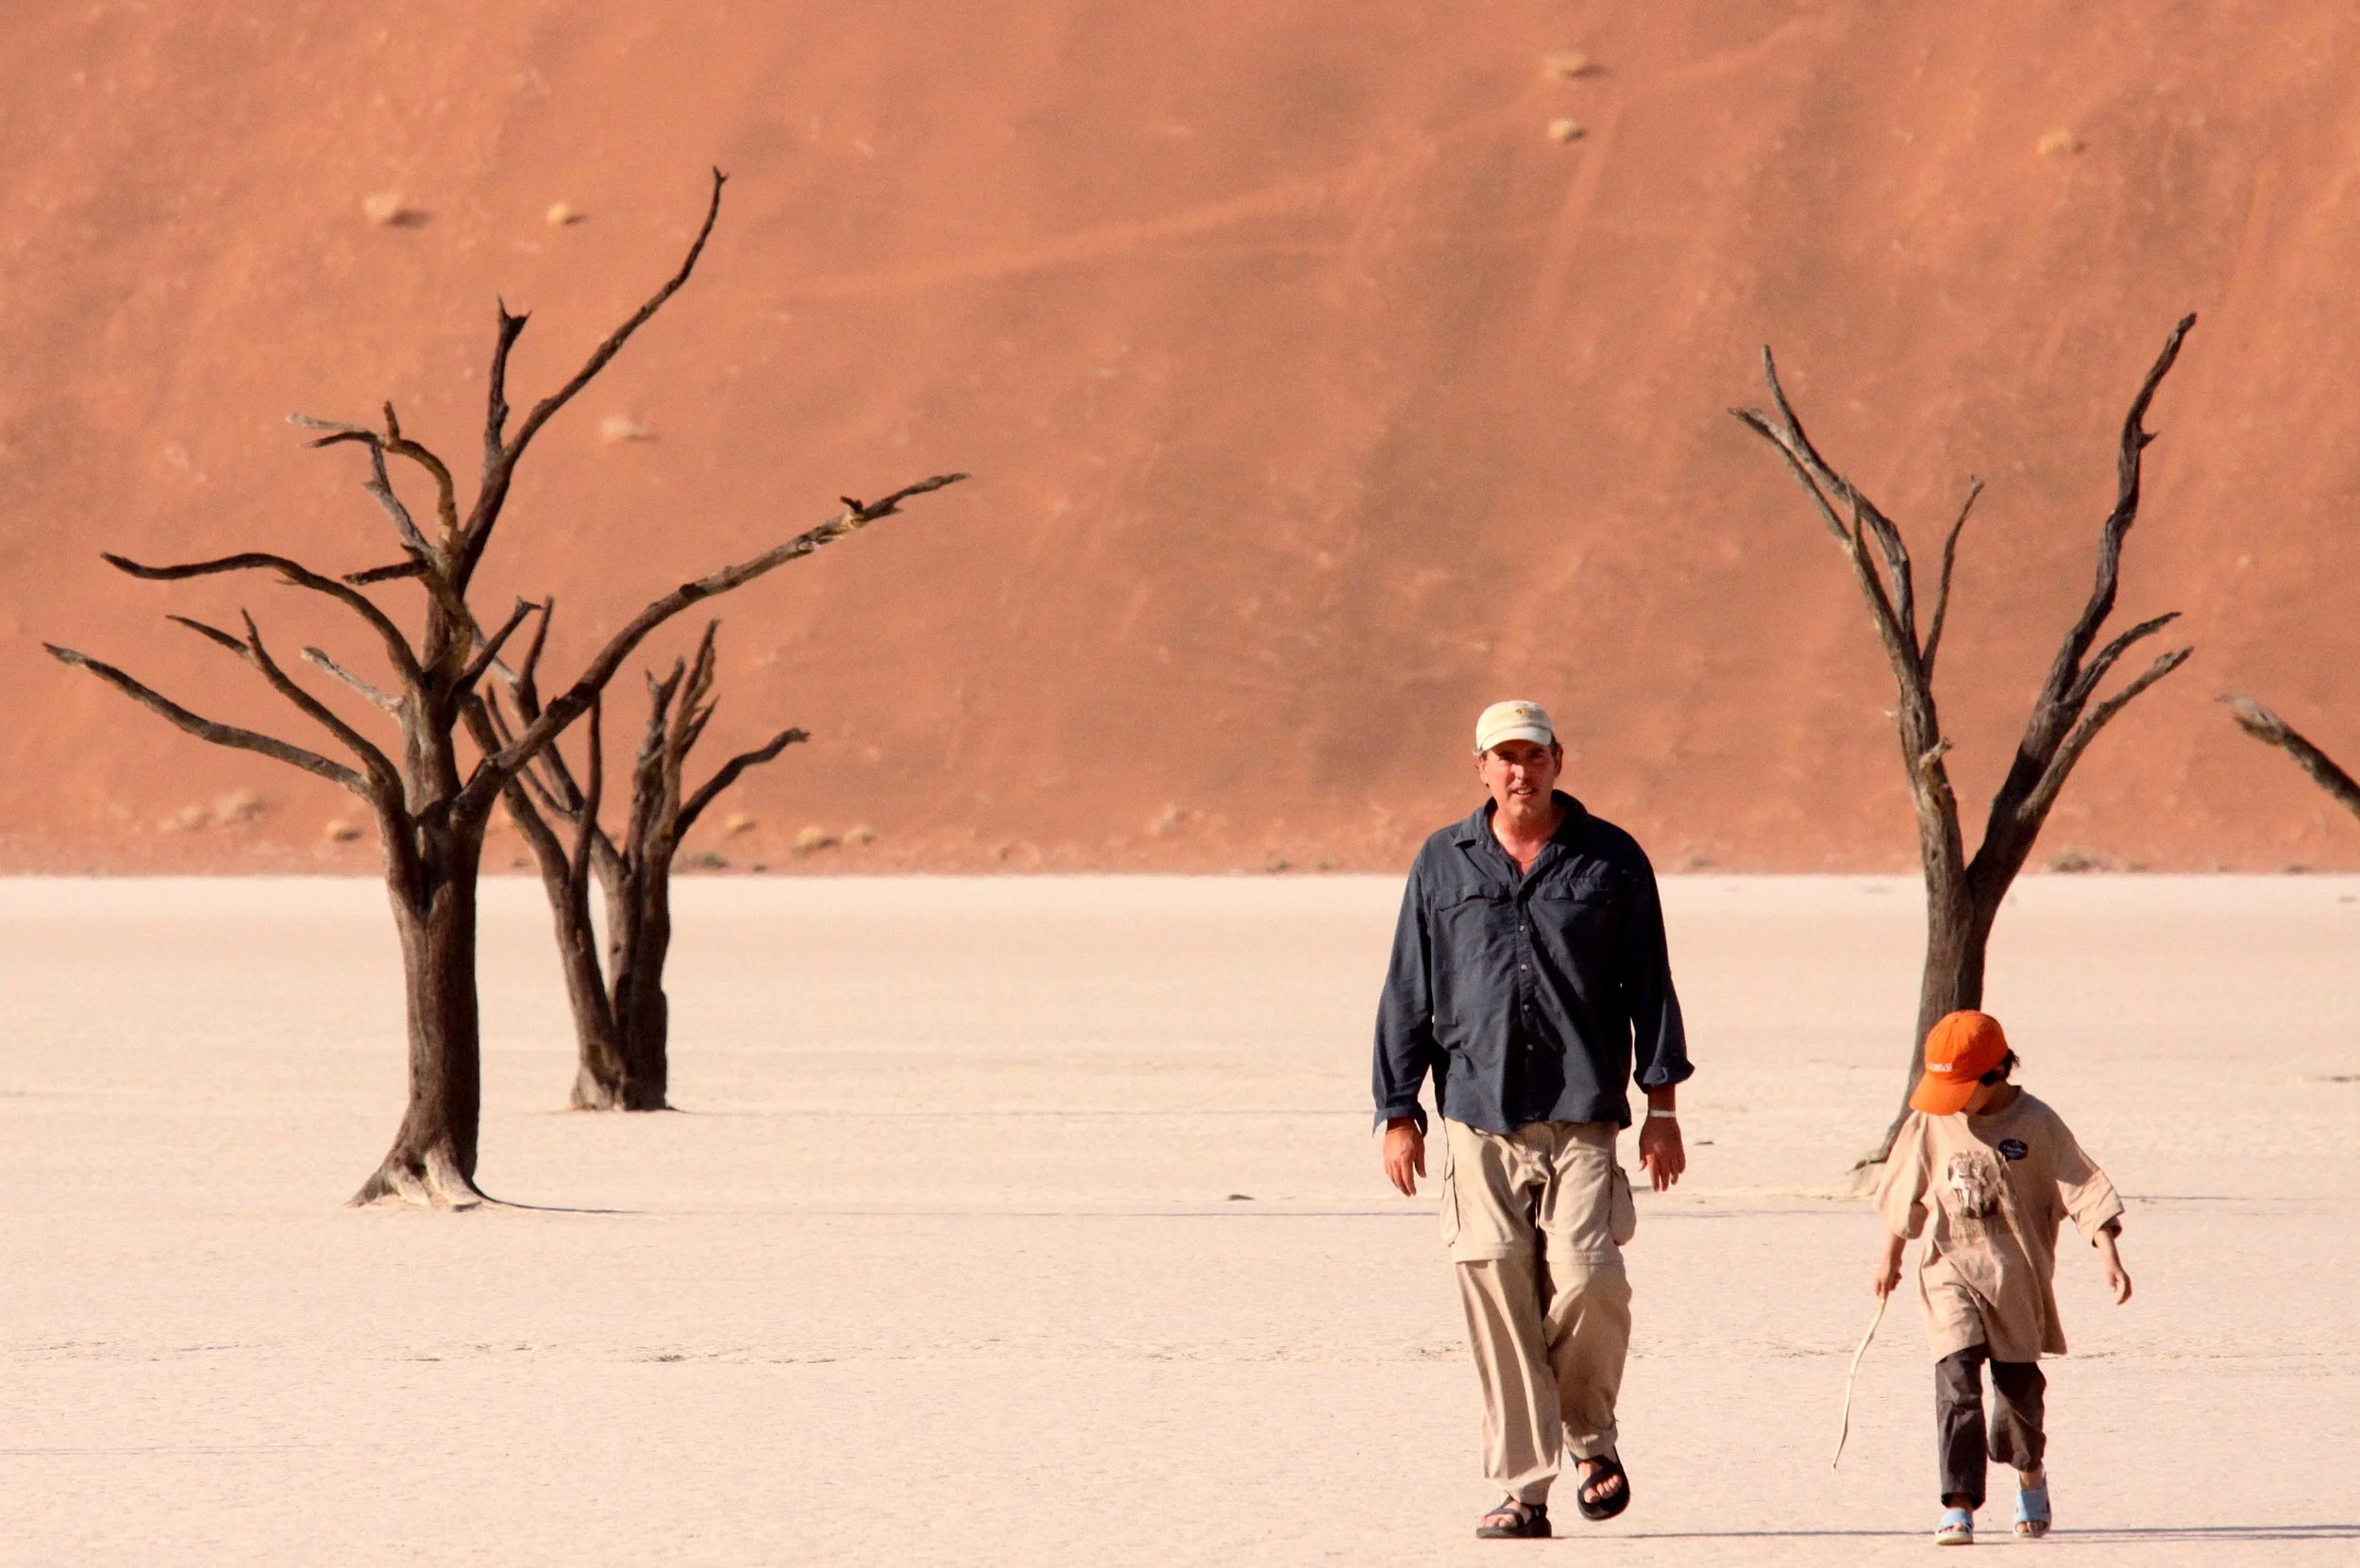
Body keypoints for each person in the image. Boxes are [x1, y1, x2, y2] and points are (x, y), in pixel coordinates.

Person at [1373, 700, 1692, 1540]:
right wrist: (1398, 1110)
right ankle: (1526, 1489)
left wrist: (1662, 1105)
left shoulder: (1611, 858)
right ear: (1480, 766)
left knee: (1589, 1276)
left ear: (1559, 760)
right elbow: (1411, 987)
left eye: (1535, 754)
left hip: (1585, 1111)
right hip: (1477, 1115)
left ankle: (1592, 1438)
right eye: (1505, 756)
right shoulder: (1442, 862)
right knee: (1498, 1297)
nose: (1521, 770)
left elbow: (1650, 985)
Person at [1870, 1009, 2132, 1545]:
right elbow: (1904, 1193)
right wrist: (1890, 1257)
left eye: (1960, 1088)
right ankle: (1958, 1502)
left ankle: (2029, 1473)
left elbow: (2081, 1186)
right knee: (1957, 1381)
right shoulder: (1931, 1120)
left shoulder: (2035, 1122)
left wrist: (2108, 1253)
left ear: (1995, 1073)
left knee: (2018, 1397)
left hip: (2016, 1280)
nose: (1952, 1101)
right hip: (1949, 1270)